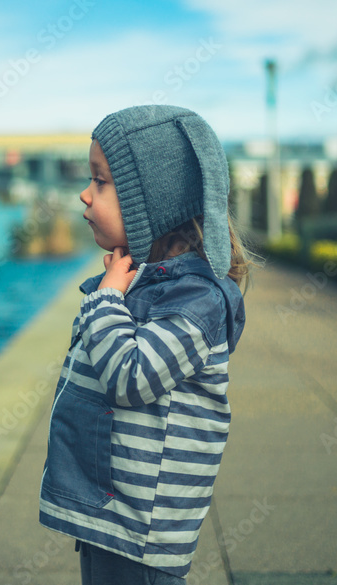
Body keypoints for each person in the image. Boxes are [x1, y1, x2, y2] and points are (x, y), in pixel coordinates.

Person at [39, 104, 255, 584]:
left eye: (101, 181)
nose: (85, 194)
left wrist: (106, 299)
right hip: (111, 512)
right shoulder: (141, 282)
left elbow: (131, 377)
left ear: (152, 203)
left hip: (142, 531)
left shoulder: (196, 301)